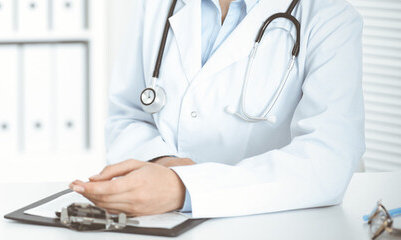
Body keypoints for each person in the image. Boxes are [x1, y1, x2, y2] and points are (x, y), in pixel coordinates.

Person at [70, 0, 365, 218]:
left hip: (271, 223)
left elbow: (327, 161)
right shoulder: (157, 6)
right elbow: (128, 113)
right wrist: (162, 162)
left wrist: (184, 187)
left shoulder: (330, 16)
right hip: (160, 222)